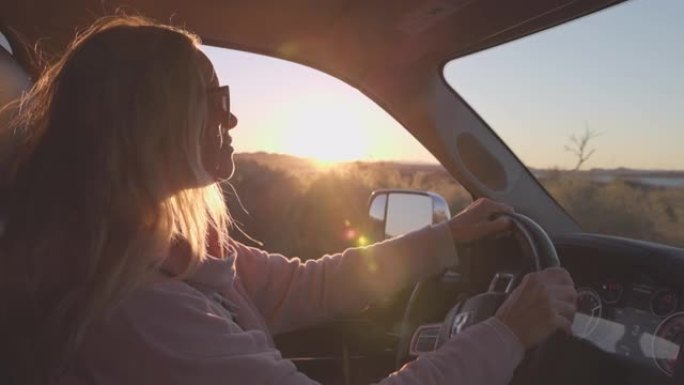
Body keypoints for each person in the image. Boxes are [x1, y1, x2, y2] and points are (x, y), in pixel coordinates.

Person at [0, 16, 577, 385]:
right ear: (152, 120)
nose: (231, 115)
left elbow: (298, 288)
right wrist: (505, 335)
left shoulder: (163, 244)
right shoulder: (133, 308)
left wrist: (444, 239)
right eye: (214, 97)